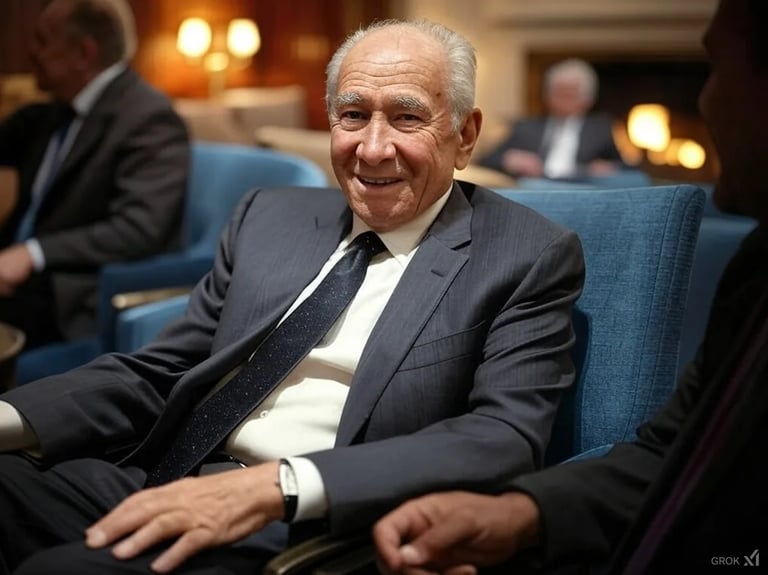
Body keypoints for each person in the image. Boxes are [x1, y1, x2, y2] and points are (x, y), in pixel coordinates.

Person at [0, 18, 586, 575]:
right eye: (353, 115)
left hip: (308, 524)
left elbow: (502, 438)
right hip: (167, 476)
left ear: (465, 136)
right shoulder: (270, 216)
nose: (372, 149)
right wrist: (10, 416)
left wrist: (278, 485)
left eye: (407, 118)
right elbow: (165, 369)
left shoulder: (524, 254)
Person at [374, 1, 768, 573]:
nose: (705, 101)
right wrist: (520, 512)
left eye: (718, 70)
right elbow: (669, 451)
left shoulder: (544, 243)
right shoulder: (756, 269)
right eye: (352, 115)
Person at [0, 0, 190, 350]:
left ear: (83, 53)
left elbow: (138, 228)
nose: (30, 53)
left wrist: (32, 253)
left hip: (68, 299)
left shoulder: (148, 118)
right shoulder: (52, 113)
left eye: (43, 40)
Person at [479, 58, 624, 181]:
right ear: (547, 96)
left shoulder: (600, 129)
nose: (564, 102)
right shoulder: (525, 127)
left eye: (571, 95)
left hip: (582, 188)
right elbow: (485, 161)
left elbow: (624, 167)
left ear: (587, 99)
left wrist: (605, 168)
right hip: (533, 187)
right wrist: (510, 160)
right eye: (559, 94)